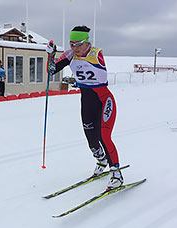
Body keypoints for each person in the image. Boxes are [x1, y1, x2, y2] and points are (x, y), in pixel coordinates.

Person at [46, 25, 123, 189]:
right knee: (91, 139)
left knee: (104, 136)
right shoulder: (70, 54)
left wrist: (74, 60)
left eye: (78, 44)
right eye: (71, 44)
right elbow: (51, 71)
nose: (75, 48)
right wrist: (51, 56)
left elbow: (94, 66)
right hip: (86, 101)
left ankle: (116, 173)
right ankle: (101, 161)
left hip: (104, 100)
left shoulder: (96, 53)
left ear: (87, 42)